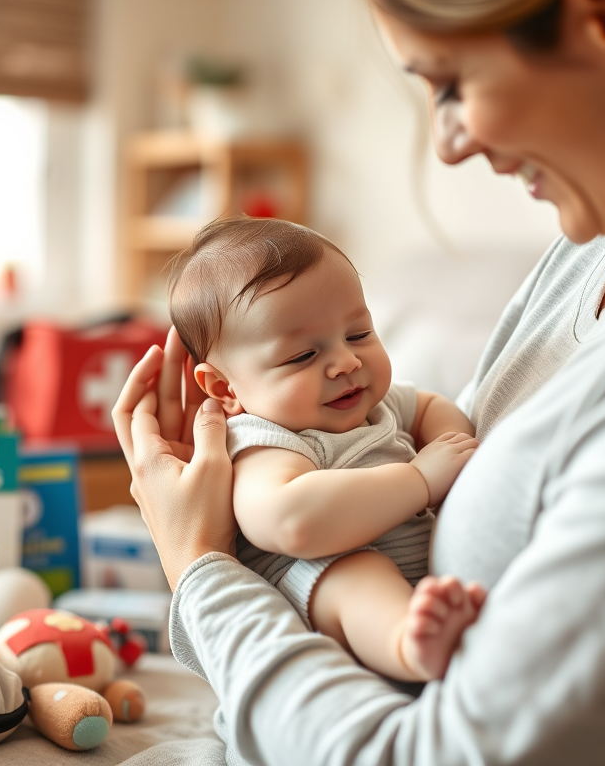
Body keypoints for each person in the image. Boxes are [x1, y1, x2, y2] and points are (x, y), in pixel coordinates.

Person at [114, 0, 605, 763]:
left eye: (448, 83)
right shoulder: (604, 243)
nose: (446, 146)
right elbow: (443, 454)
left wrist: (201, 570)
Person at [167, 215, 483, 682]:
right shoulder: (265, 442)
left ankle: (421, 628)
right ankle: (408, 645)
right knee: (357, 574)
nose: (346, 361)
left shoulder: (376, 402)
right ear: (225, 388)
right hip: (319, 600)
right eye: (302, 356)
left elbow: (433, 406)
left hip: (418, 579)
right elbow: (291, 520)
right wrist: (419, 479)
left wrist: (448, 445)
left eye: (358, 334)